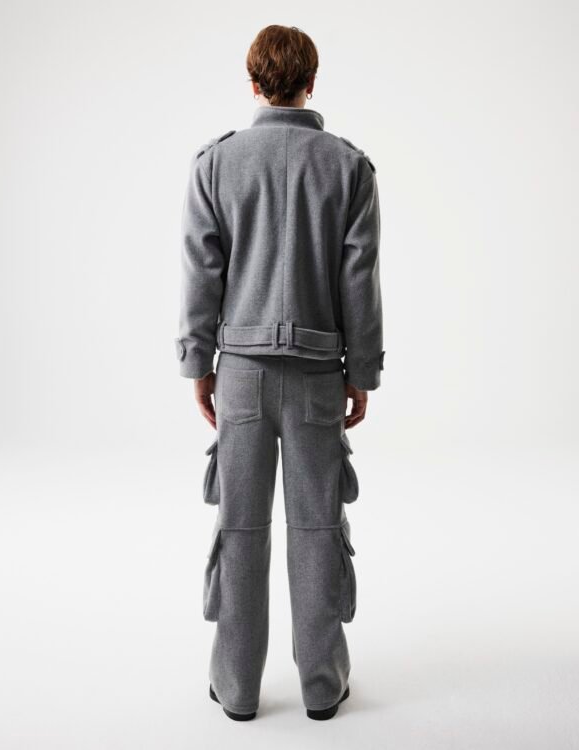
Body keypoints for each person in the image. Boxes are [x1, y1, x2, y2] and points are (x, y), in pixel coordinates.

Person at [175, 24, 384, 721]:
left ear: (254, 82)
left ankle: (237, 688)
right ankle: (322, 686)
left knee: (240, 527)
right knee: (318, 527)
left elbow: (202, 273)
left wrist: (198, 364)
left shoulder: (217, 164)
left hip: (239, 374)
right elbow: (360, 281)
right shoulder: (348, 167)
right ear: (311, 82)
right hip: (320, 374)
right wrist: (363, 372)